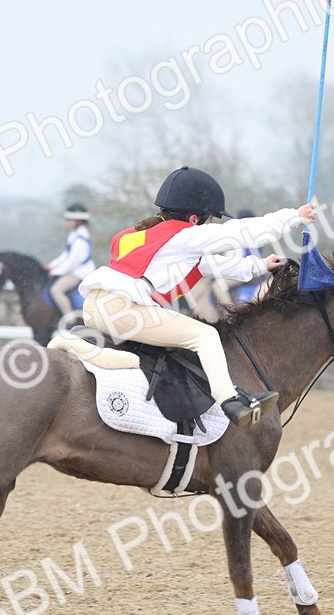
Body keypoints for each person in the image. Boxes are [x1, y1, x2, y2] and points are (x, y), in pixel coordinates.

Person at [77, 166, 316, 428]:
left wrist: (258, 266)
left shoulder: (138, 236)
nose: (213, 225)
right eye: (211, 219)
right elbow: (240, 232)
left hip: (94, 307)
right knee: (205, 335)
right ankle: (232, 403)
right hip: (123, 311)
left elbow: (207, 265)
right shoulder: (185, 237)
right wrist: (294, 217)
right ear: (194, 219)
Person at [45, 203, 97, 318]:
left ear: (77, 221)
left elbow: (72, 263)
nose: (67, 222)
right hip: (74, 271)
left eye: (69, 220)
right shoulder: (74, 235)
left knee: (56, 290)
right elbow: (66, 255)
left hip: (79, 273)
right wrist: (52, 266)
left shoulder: (80, 239)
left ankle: (69, 318)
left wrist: (55, 272)